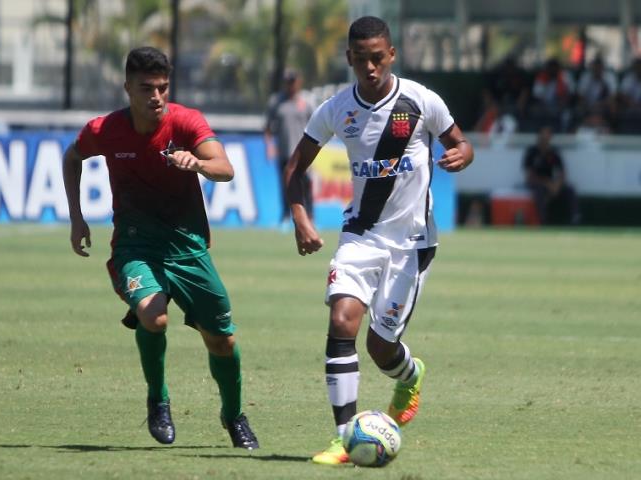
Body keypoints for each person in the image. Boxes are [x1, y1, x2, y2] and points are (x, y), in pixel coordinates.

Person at [284, 16, 473, 465]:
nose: (369, 67)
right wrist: (300, 218)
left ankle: (410, 374)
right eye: (360, 59)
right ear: (349, 58)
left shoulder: (421, 101)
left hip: (412, 243)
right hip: (361, 235)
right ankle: (343, 437)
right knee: (342, 319)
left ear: (390, 55)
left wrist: (461, 155)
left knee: (380, 348)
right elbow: (296, 166)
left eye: (377, 58)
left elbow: (460, 142)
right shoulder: (334, 109)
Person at [62, 46, 258, 450]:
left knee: (222, 340)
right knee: (154, 317)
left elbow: (226, 168)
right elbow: (73, 156)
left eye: (163, 88)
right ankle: (158, 399)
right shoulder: (105, 130)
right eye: (146, 88)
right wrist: (76, 216)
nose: (156, 97)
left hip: (188, 249)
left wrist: (198, 164)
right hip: (136, 246)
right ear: (127, 88)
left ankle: (234, 416)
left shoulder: (186, 123)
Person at [264, 68, 316, 228]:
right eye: (288, 82)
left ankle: (310, 218)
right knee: (285, 186)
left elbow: (316, 126)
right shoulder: (276, 102)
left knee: (306, 185)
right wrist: (269, 146)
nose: (290, 85)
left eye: (293, 81)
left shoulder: (307, 101)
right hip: (284, 151)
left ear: (298, 82)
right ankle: (286, 218)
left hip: (304, 153)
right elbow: (267, 127)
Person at [523, 126, 580, 225]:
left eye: (548, 134)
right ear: (539, 136)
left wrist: (557, 185)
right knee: (539, 191)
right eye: (543, 134)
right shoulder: (531, 152)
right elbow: (529, 176)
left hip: (552, 183)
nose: (545, 137)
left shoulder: (554, 152)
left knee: (569, 189)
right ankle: (544, 220)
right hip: (537, 183)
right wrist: (547, 184)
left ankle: (575, 217)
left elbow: (562, 172)